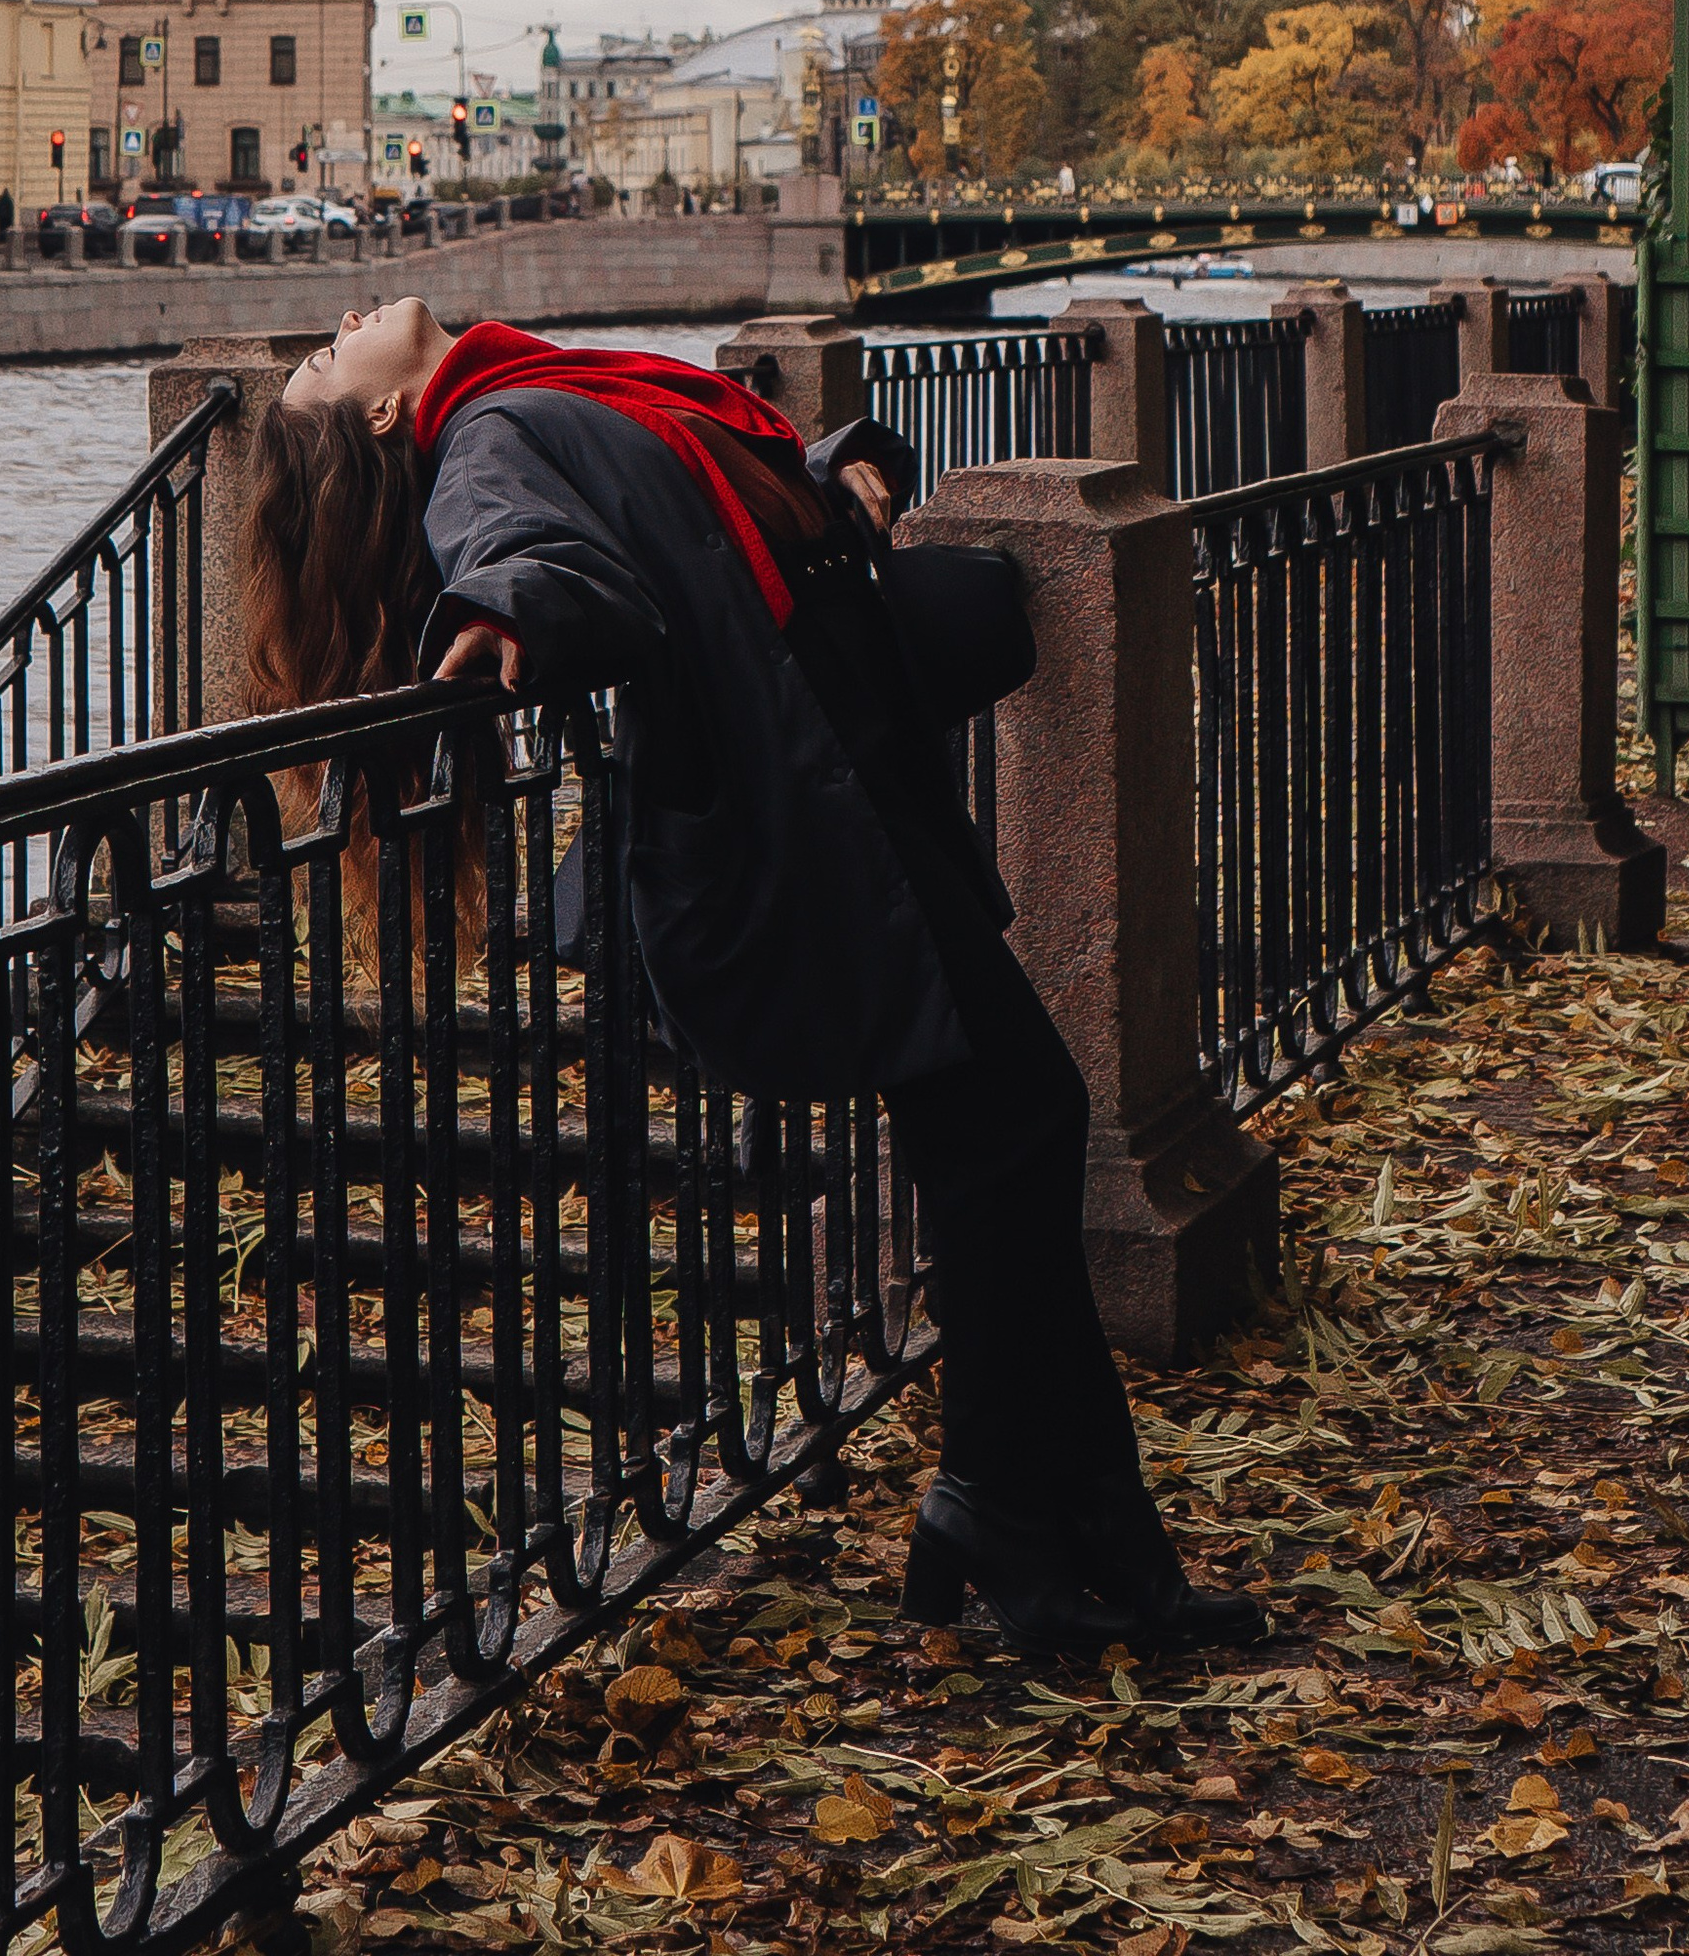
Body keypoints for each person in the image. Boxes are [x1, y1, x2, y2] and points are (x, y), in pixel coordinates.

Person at [236, 301, 1264, 1665]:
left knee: (1009, 1139)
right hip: (817, 822)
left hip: (861, 780)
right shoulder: (485, 433)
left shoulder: (542, 384)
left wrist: (836, 464)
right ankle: (1035, 1523)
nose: (342, 320)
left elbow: (688, 501)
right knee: (1015, 1129)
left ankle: (1058, 1525)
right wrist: (503, 602)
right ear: (381, 413)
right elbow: (539, 552)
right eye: (327, 355)